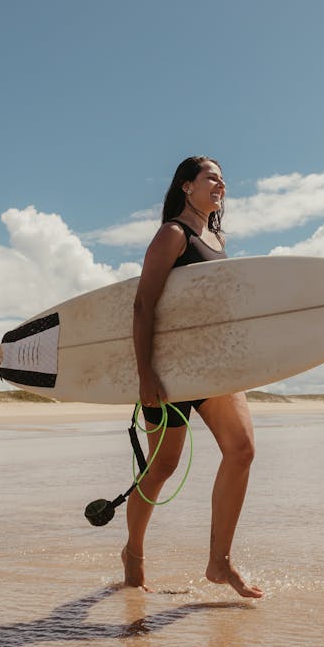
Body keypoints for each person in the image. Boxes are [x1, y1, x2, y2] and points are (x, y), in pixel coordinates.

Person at [122, 156, 263, 599]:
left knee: (241, 451)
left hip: (212, 367)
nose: (220, 183)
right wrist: (146, 374)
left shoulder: (217, 237)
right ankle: (134, 553)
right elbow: (144, 305)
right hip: (168, 370)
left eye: (223, 177)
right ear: (187, 187)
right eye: (211, 177)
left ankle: (219, 562)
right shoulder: (173, 234)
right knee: (163, 465)